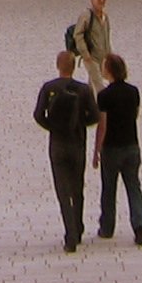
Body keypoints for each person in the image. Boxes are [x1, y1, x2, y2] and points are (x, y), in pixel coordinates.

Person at [33, 49, 96, 251]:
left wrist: (52, 127)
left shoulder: (48, 87)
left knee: (62, 190)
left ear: (57, 65)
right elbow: (94, 116)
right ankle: (78, 227)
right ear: (73, 66)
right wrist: (79, 124)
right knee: (77, 187)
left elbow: (38, 114)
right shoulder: (83, 89)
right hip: (77, 143)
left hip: (57, 144)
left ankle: (69, 233)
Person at [94, 52, 142, 246]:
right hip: (132, 145)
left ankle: (107, 227)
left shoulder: (104, 96)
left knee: (109, 189)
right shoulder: (133, 91)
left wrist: (96, 150)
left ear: (108, 71)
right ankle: (141, 227)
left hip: (111, 148)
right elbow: (135, 114)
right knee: (134, 187)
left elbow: (103, 125)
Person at [69, 0, 112, 83]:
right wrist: (85, 54)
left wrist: (109, 54)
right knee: (97, 84)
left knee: (94, 83)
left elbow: (106, 37)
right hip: (92, 56)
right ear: (92, 0)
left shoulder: (105, 17)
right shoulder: (86, 15)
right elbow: (78, 34)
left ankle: (90, 97)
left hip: (104, 57)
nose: (101, 1)